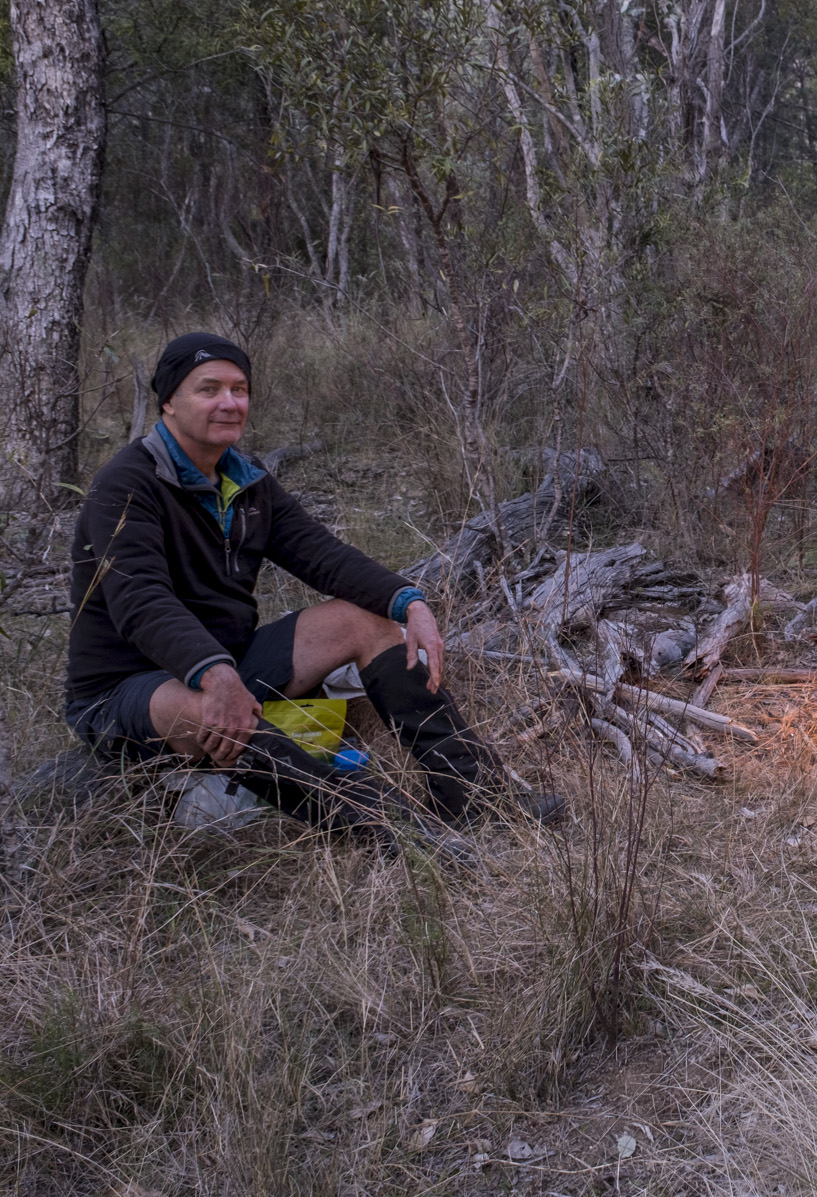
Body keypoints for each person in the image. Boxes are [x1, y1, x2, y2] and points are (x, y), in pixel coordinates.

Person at [62, 331, 563, 839]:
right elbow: (140, 600)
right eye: (208, 389)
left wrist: (410, 602)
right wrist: (213, 673)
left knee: (365, 620)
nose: (229, 403)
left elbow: (322, 555)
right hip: (128, 689)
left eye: (239, 389)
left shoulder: (246, 480)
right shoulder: (127, 484)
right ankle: (389, 828)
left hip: (226, 663)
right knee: (205, 710)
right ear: (169, 399)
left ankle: (476, 797)